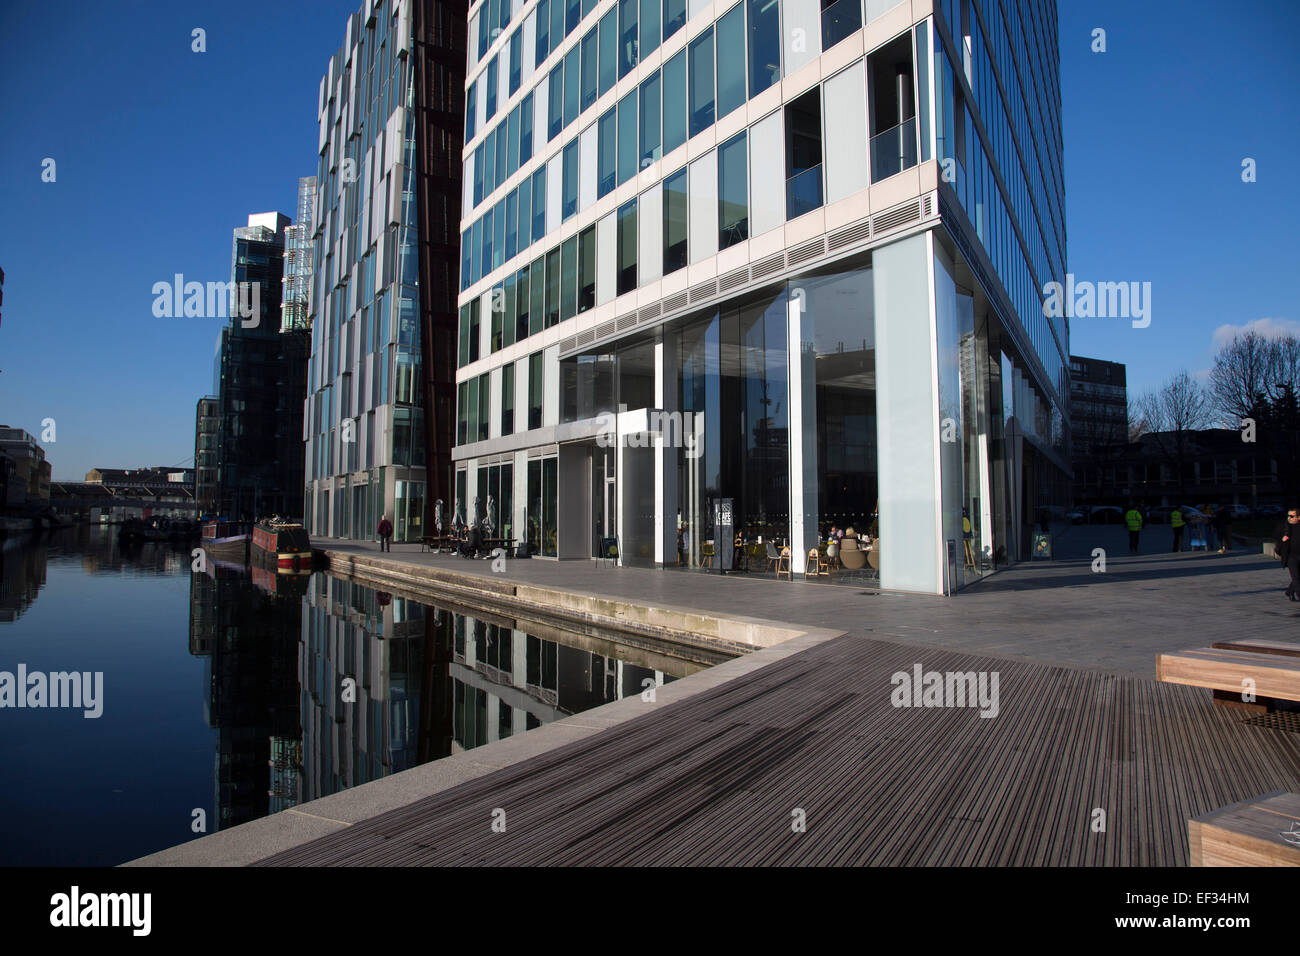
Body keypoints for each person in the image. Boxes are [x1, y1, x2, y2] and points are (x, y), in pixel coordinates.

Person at [1275, 508, 1300, 601]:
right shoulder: (1284, 527)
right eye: (1288, 516)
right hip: (1290, 556)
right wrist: (1283, 539)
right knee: (1296, 577)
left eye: (1292, 516)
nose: (1289, 518)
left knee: (1298, 577)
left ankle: (1289, 591)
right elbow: (1276, 539)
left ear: (1299, 517)